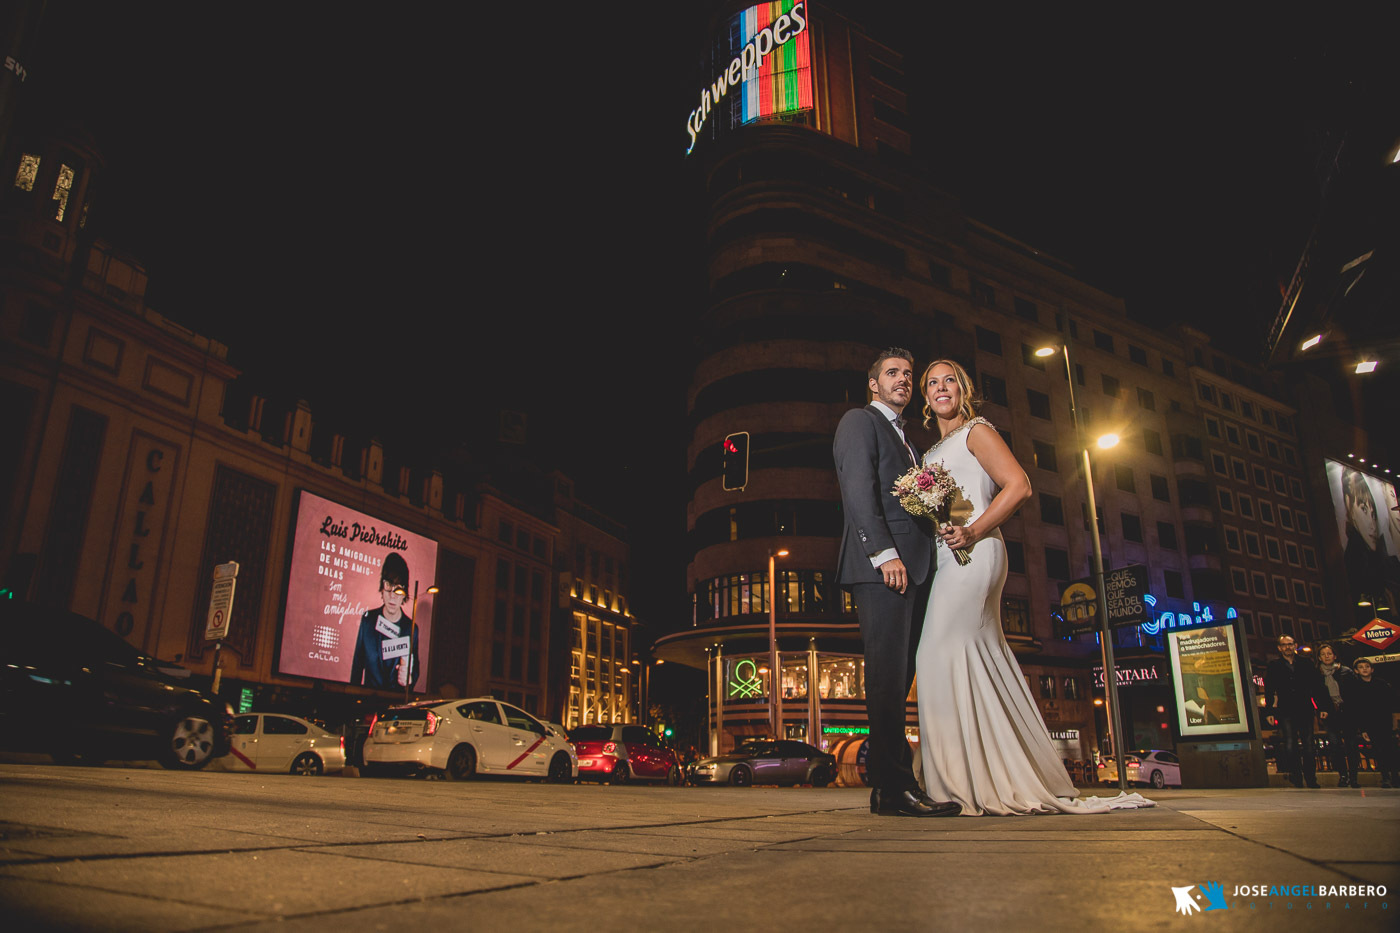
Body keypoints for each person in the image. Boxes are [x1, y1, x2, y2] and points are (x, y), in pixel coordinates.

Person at [912, 359, 1153, 815]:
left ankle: (958, 783)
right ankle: (979, 772)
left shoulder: (976, 432)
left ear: (964, 390)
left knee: (934, 654)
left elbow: (1018, 485)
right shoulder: (931, 452)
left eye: (950, 381)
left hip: (976, 553)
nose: (941, 388)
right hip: (950, 558)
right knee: (980, 659)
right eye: (932, 383)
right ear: (926, 397)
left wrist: (975, 530)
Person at [834, 348, 959, 818]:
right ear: (874, 383)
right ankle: (893, 787)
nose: (903, 380)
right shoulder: (859, 421)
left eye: (909, 374)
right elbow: (858, 490)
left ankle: (890, 786)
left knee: (897, 680)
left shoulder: (905, 436)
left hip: (915, 568)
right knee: (885, 679)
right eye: (892, 373)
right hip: (883, 568)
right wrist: (883, 552)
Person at [1263, 634, 1331, 788]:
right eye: (1284, 645)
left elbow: (1317, 687)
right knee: (1290, 743)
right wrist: (1269, 712)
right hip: (1286, 709)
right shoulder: (1274, 666)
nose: (1288, 647)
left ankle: (1311, 778)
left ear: (1295, 645)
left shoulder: (1306, 663)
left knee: (1308, 744)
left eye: (1290, 644)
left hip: (1304, 708)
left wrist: (1322, 707)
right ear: (1279, 648)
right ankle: (1296, 776)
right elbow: (1269, 690)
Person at [349, 552, 419, 691]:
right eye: (388, 585)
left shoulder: (411, 629)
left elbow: (414, 671)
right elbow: (357, 667)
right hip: (367, 704)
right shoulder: (368, 621)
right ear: (382, 587)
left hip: (396, 705)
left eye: (398, 588)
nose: (392, 595)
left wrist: (409, 679)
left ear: (405, 592)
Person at [1344, 658, 1399, 787]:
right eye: (1361, 667)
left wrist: (1394, 720)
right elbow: (1357, 710)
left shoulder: (1381, 684)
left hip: (1385, 721)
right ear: (1356, 671)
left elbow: (1392, 702)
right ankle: (1385, 777)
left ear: (1372, 669)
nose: (1364, 669)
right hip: (1370, 724)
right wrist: (1363, 729)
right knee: (1379, 751)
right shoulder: (1355, 687)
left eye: (1367, 666)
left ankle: (1395, 777)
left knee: (1391, 750)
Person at [1316, 644, 1358, 787]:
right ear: (1319, 657)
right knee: (1335, 745)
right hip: (1329, 713)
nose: (1326, 656)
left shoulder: (1346, 671)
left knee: (1352, 745)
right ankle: (1343, 776)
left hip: (1347, 712)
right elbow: (1315, 694)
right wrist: (1321, 709)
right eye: (1323, 654)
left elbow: (1354, 693)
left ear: (1335, 656)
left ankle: (1354, 777)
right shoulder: (1317, 674)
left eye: (1329, 653)